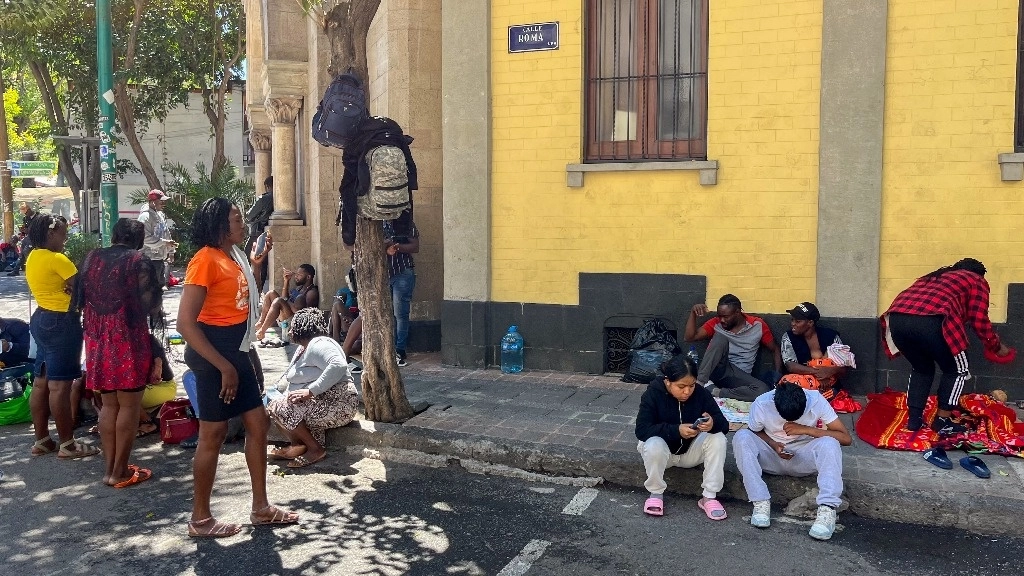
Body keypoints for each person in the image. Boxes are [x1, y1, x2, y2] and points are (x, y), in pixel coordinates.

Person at [177, 197, 297, 537]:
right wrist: (224, 366)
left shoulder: (234, 257)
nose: (243, 224)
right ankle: (200, 519)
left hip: (237, 350)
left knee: (257, 423)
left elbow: (241, 298)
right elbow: (186, 324)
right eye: (236, 219)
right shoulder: (205, 260)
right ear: (219, 226)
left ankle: (260, 507)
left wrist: (256, 264)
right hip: (214, 353)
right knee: (212, 434)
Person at [881, 258, 1015, 435]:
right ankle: (942, 421)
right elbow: (979, 319)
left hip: (897, 320)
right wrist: (996, 346)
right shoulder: (976, 280)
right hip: (934, 321)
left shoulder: (933, 277)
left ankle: (914, 421)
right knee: (958, 369)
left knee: (921, 368)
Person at [80, 218, 162, 487]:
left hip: (97, 337)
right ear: (138, 240)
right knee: (129, 404)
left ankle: (110, 469)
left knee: (109, 404)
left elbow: (79, 300)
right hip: (128, 336)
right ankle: (120, 471)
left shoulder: (91, 257)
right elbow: (150, 304)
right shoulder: (138, 260)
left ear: (114, 235)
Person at [732, 381, 852, 541]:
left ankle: (827, 509)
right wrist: (773, 444)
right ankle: (760, 502)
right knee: (742, 437)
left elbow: (846, 438)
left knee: (830, 443)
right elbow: (754, 432)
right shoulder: (762, 403)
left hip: (802, 456)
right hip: (772, 456)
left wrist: (806, 430)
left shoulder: (816, 400)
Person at [26, 213, 97, 459]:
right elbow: (83, 289)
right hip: (61, 322)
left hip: (41, 319)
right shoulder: (58, 259)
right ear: (51, 233)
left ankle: (42, 440)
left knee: (41, 381)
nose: (65, 240)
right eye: (63, 235)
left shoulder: (33, 256)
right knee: (60, 387)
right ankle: (68, 444)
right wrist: (75, 291)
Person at [635, 354, 729, 519]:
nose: (687, 391)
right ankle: (655, 494)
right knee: (653, 443)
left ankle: (709, 496)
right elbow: (642, 430)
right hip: (663, 455)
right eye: (681, 386)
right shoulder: (653, 394)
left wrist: (712, 423)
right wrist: (675, 430)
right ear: (667, 381)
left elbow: (724, 425)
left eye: (691, 385)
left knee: (718, 438)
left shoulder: (701, 394)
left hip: (690, 453)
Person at [266, 308, 359, 468]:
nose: (289, 329)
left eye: (292, 325)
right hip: (323, 403)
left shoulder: (319, 343)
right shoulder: (304, 348)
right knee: (274, 402)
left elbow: (338, 365)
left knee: (280, 405)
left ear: (302, 327)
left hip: (338, 402)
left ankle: (315, 449)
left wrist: (311, 391)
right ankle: (298, 446)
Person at [684, 294, 782, 401]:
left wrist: (778, 375)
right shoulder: (716, 323)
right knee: (720, 338)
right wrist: (693, 313)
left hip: (739, 376)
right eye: (719, 316)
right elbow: (690, 337)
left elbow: (775, 349)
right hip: (719, 368)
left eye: (726, 317)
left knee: (762, 390)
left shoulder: (757, 325)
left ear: (737, 312)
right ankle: (700, 384)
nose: (722, 320)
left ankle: (715, 391)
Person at [780, 302, 849, 401]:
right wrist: (820, 373)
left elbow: (844, 367)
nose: (793, 324)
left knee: (828, 395)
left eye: (798, 321)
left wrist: (829, 371)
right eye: (792, 320)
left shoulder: (831, 336)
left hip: (827, 386)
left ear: (810, 323)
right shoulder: (788, 337)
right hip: (799, 384)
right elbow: (790, 366)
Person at [253, 263, 320, 342]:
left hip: (294, 323)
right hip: (286, 317)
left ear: (308, 277)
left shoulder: (311, 293)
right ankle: (261, 322)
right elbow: (285, 298)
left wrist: (286, 301)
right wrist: (286, 281)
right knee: (271, 293)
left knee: (279, 301)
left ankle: (262, 331)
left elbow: (302, 313)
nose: (296, 277)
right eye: (296, 274)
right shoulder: (300, 288)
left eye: (299, 275)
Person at [138, 189, 177, 286]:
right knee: (149, 290)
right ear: (152, 202)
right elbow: (144, 238)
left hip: (159, 259)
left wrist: (171, 251)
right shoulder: (145, 217)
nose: (164, 204)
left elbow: (166, 232)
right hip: (147, 259)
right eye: (161, 201)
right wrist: (164, 242)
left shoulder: (160, 215)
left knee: (158, 289)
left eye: (164, 201)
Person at [245, 176, 274, 290]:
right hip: (265, 231)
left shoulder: (264, 198)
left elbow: (249, 215)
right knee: (262, 263)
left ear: (267, 186)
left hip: (256, 232)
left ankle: (252, 289)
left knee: (248, 260)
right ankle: (259, 289)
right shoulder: (277, 198)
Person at [7, 204, 37, 276]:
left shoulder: (38, 218)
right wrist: (23, 230)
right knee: (22, 254)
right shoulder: (26, 218)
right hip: (27, 237)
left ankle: (32, 270)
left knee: (26, 252)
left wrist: (29, 230)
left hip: (35, 238)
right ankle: (16, 269)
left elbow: (39, 229)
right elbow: (25, 229)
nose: (25, 214)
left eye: (26, 212)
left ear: (29, 210)